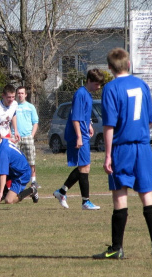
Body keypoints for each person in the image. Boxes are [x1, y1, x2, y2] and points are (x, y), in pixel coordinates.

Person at [93, 48, 152, 260]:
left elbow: (108, 125)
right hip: (143, 147)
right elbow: (151, 119)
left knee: (120, 197)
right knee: (147, 196)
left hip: (122, 148)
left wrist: (108, 155)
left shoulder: (110, 88)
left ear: (109, 67)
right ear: (129, 64)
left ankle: (117, 248)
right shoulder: (142, 85)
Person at [53, 69, 104, 210]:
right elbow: (75, 117)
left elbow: (83, 115)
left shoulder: (87, 94)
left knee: (84, 166)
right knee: (84, 166)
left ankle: (62, 192)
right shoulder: (80, 94)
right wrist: (79, 137)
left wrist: (89, 125)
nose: (98, 87)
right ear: (88, 80)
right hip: (78, 135)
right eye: (96, 84)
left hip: (83, 133)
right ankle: (85, 202)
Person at [0, 127, 38, 204]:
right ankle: (6, 192)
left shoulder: (3, 152)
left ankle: (32, 190)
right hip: (13, 169)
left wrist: (0, 192)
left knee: (9, 201)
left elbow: (3, 174)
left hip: (21, 175)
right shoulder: (1, 142)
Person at [15, 86, 40, 190]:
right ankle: (16, 180)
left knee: (31, 160)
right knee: (15, 161)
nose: (20, 95)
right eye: (19, 93)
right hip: (15, 137)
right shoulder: (13, 106)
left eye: (22, 93)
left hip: (27, 136)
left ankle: (33, 181)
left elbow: (35, 122)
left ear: (26, 95)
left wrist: (32, 135)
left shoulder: (30, 107)